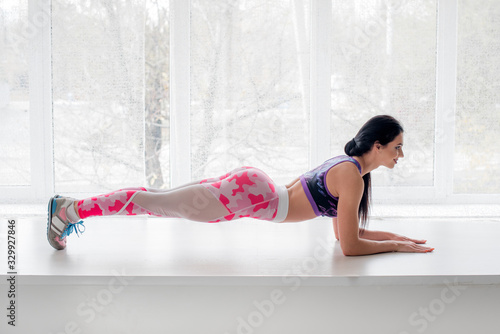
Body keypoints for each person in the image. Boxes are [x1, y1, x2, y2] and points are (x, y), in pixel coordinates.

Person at [47, 115, 434, 256]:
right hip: (254, 196)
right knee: (152, 203)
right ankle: (70, 209)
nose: (401, 155)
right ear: (378, 145)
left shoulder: (348, 167)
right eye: (397, 148)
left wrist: (400, 238)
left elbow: (344, 234)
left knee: (157, 201)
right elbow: (349, 247)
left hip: (253, 190)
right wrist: (395, 246)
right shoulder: (353, 178)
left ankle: (73, 208)